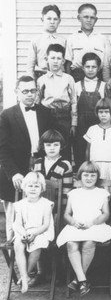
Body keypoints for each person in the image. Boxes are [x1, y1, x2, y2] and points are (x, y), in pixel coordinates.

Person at [0, 76, 55, 243]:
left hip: (40, 166)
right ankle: (14, 254)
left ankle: (38, 260)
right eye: (25, 91)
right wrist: (14, 173)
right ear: (17, 92)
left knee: (37, 211)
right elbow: (2, 148)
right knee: (14, 213)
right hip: (15, 169)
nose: (30, 94)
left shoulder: (46, 113)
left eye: (33, 90)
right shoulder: (7, 115)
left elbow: (53, 140)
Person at [56, 162, 111, 296]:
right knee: (71, 244)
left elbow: (106, 214)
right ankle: (83, 280)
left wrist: (92, 222)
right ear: (80, 177)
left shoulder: (102, 193)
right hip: (76, 225)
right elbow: (66, 214)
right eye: (86, 175)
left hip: (95, 225)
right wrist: (73, 222)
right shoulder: (74, 193)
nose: (89, 178)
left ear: (97, 177)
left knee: (89, 242)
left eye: (92, 175)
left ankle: (78, 279)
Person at [13, 172, 54, 293]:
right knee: (18, 244)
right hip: (24, 231)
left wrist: (35, 234)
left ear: (42, 189)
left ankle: (24, 275)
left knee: (37, 245)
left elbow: (46, 225)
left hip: (41, 232)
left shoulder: (46, 204)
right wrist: (23, 233)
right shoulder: (20, 205)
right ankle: (25, 276)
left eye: (37, 186)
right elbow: (18, 224)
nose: (33, 189)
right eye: (30, 186)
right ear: (24, 188)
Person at [37, 43, 76, 161]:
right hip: (47, 116)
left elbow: (74, 101)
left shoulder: (68, 78)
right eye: (52, 58)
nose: (55, 61)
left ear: (63, 60)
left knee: (64, 146)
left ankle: (65, 174)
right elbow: (38, 102)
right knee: (48, 145)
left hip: (64, 117)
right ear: (46, 59)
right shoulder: (41, 80)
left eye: (59, 58)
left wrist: (74, 123)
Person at [84, 98, 111, 195]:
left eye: (106, 112)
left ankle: (110, 210)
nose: (103, 114)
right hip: (96, 166)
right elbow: (87, 150)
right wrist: (88, 165)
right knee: (95, 192)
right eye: (100, 112)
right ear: (97, 113)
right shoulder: (92, 129)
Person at [73, 52, 105, 169]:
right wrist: (74, 125)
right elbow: (74, 108)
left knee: (96, 151)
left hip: (97, 123)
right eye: (87, 67)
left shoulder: (103, 86)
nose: (90, 70)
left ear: (99, 68)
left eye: (94, 67)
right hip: (81, 124)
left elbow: (105, 108)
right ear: (82, 67)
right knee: (80, 151)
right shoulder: (76, 86)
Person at [65, 3, 110, 82]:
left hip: (98, 76)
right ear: (79, 18)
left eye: (92, 18)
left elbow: (106, 65)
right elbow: (68, 64)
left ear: (96, 20)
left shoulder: (103, 39)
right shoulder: (72, 38)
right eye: (86, 17)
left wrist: (106, 82)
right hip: (77, 76)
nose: (89, 20)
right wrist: (69, 82)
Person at [27, 4, 66, 80]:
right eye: (49, 18)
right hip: (41, 77)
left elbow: (66, 64)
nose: (52, 22)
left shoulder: (64, 41)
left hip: (60, 78)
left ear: (59, 21)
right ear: (42, 20)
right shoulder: (36, 41)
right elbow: (30, 66)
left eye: (55, 19)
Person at [33, 129, 73, 202]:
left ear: (61, 146)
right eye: (48, 145)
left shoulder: (65, 165)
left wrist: (62, 211)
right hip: (38, 204)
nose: (52, 148)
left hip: (56, 206)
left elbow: (67, 191)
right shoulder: (37, 162)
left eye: (56, 145)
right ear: (43, 147)